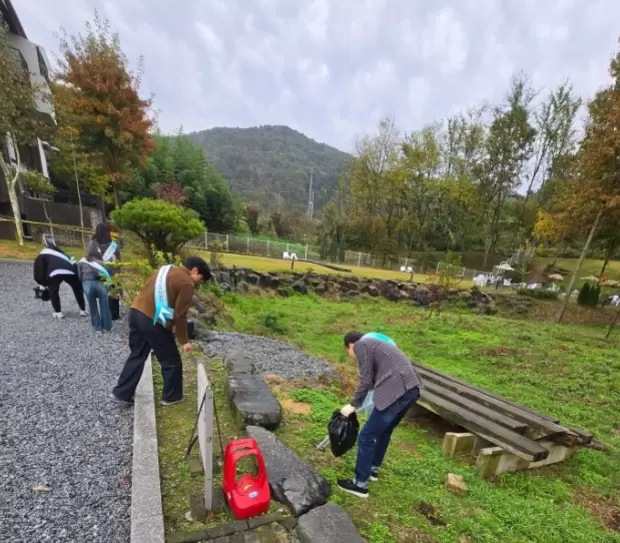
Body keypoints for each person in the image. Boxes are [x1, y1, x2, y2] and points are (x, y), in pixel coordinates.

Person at [110, 256, 211, 406]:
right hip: (154, 320)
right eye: (200, 278)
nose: (198, 283)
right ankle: (172, 397)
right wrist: (184, 341)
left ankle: (122, 392)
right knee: (171, 360)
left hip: (136, 312)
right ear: (194, 270)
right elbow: (180, 315)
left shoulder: (164, 269)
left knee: (137, 354)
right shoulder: (186, 283)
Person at [337, 331, 423, 498]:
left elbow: (365, 379)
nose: (351, 357)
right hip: (412, 389)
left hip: (396, 391)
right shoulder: (379, 345)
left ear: (351, 345)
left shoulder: (361, 345)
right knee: (384, 432)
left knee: (366, 436)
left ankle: (360, 484)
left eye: (348, 352)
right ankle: (373, 470)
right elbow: (376, 378)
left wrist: (353, 404)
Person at [33, 235, 87, 319]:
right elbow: (72, 263)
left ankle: (58, 312)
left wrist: (42, 283)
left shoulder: (43, 253)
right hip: (70, 271)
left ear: (45, 243)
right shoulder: (63, 253)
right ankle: (83, 310)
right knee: (77, 289)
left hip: (55, 273)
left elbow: (40, 268)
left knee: (53, 290)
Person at [87, 223, 122, 320]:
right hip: (113, 271)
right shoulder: (113, 244)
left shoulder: (92, 243)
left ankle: (107, 314)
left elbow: (90, 257)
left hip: (100, 272)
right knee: (114, 291)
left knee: (105, 293)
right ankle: (115, 314)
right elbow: (118, 259)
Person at [77, 244, 113, 336]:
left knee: (93, 306)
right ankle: (107, 326)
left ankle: (98, 328)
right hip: (101, 284)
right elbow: (109, 274)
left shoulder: (81, 262)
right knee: (104, 305)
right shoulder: (102, 262)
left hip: (87, 283)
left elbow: (79, 276)